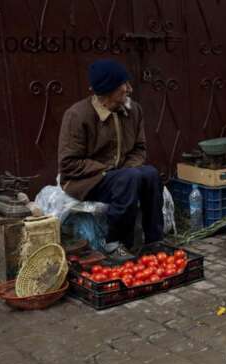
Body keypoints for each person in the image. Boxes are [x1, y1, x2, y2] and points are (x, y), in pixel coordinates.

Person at [58, 59, 164, 259]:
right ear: (107, 91)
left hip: (121, 176)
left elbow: (140, 149)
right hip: (86, 180)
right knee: (128, 178)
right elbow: (68, 164)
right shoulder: (77, 116)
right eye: (123, 85)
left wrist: (126, 169)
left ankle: (154, 240)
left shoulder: (134, 110)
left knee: (149, 174)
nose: (129, 89)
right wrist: (109, 170)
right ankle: (115, 243)